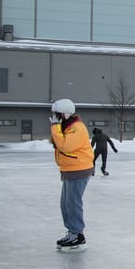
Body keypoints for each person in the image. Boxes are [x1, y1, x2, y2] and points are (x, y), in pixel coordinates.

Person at [49, 98, 93, 250]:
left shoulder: (77, 128)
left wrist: (55, 127)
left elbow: (65, 146)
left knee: (73, 202)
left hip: (79, 168)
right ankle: (72, 231)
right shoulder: (67, 127)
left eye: (57, 114)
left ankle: (78, 234)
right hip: (70, 169)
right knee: (65, 203)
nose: (54, 117)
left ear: (65, 114)